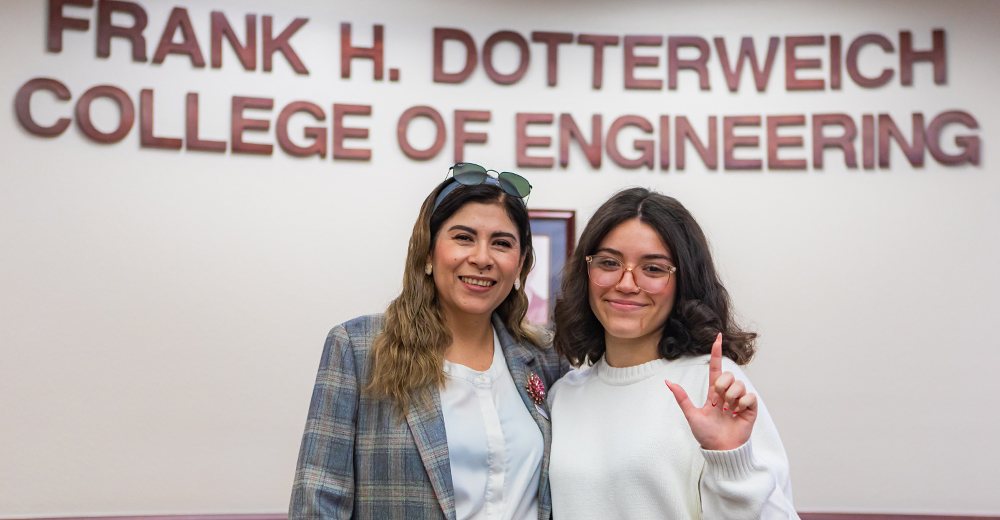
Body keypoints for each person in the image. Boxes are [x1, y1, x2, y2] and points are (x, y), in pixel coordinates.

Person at [289, 163, 568, 520]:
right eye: (463, 237)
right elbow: (317, 505)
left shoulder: (544, 359)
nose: (482, 258)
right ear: (427, 253)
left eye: (501, 243)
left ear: (521, 264)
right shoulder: (358, 349)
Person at [548, 188, 799, 519]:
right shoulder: (562, 395)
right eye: (609, 262)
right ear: (586, 271)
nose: (626, 283)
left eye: (653, 269)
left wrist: (730, 460)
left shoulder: (714, 386)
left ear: (685, 282)